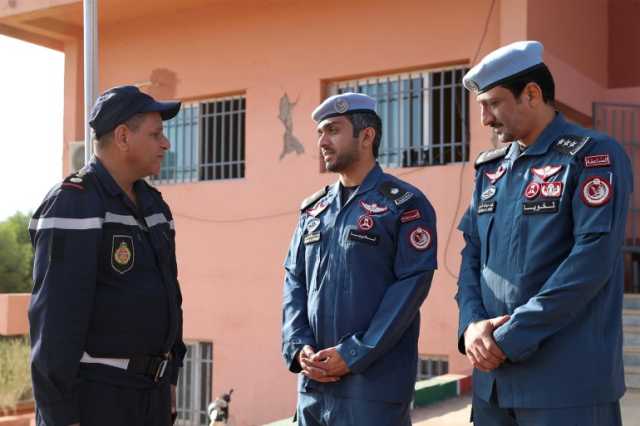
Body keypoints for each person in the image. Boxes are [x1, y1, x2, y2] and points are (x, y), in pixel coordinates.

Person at [455, 40, 633, 425]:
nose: (484, 119)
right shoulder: (491, 170)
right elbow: (471, 255)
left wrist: (508, 337)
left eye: (493, 103)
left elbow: (592, 260)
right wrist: (471, 326)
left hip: (567, 385)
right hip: (494, 388)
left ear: (532, 94)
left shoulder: (592, 155)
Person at [28, 85, 187, 426]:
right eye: (156, 134)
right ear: (123, 136)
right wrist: (59, 416)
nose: (166, 144)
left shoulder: (155, 206)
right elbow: (55, 322)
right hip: (99, 400)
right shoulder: (73, 203)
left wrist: (170, 375)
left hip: (151, 398)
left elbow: (170, 297)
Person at [281, 92, 437, 425]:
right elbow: (294, 281)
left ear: (366, 136)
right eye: (320, 132)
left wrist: (353, 353)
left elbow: (410, 288)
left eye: (333, 130)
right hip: (314, 387)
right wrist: (298, 347)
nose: (322, 141)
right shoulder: (313, 210)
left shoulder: (405, 205)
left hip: (372, 389)